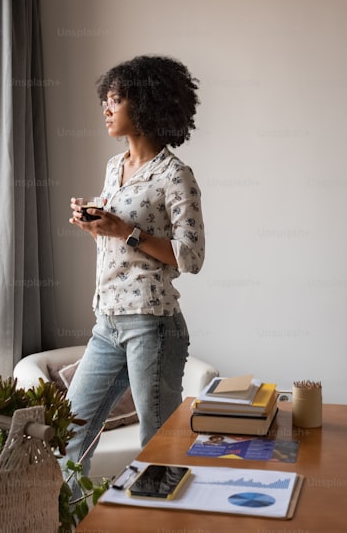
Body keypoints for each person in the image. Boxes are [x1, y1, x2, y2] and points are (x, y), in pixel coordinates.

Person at [63, 55, 205, 480]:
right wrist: (96, 224)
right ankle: (74, 522)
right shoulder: (114, 167)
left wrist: (126, 231)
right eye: (105, 100)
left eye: (115, 100)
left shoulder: (175, 175)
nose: (106, 109)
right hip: (107, 319)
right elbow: (119, 237)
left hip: (152, 323)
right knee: (70, 432)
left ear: (143, 106)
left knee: (157, 446)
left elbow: (191, 256)